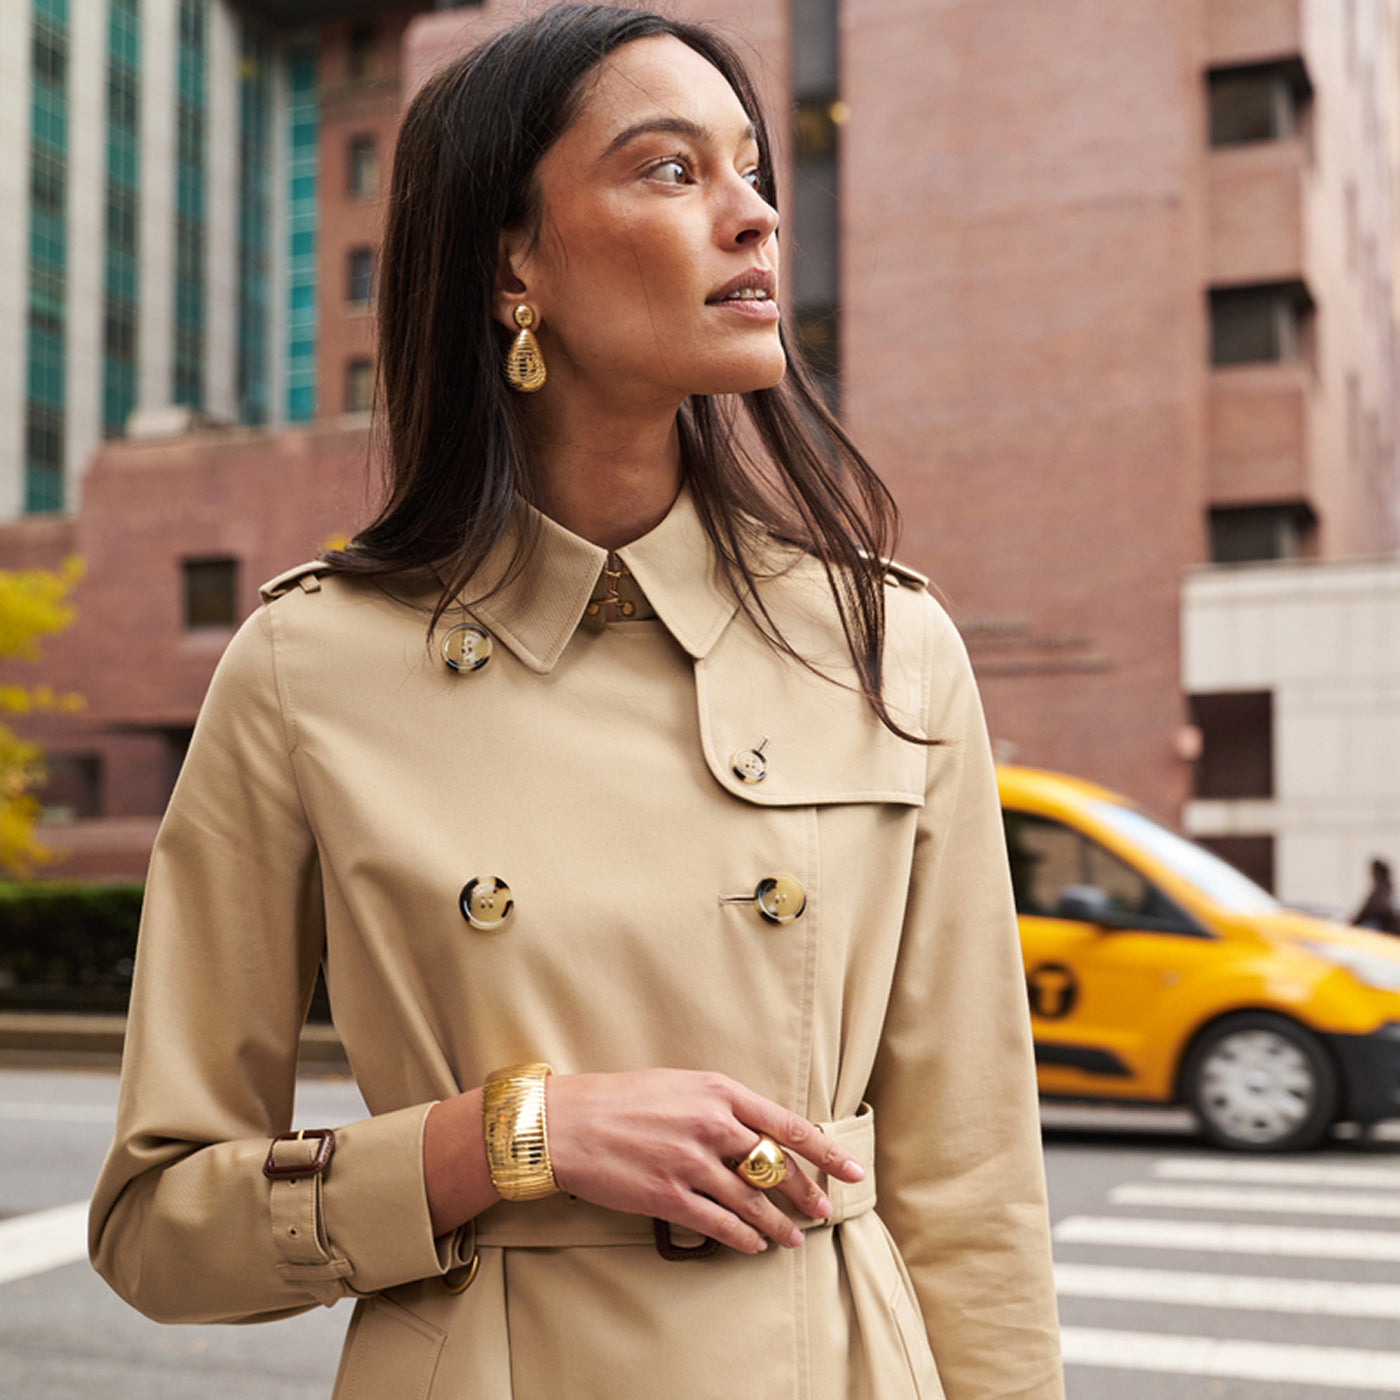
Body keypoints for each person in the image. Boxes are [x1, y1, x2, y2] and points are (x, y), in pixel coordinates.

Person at [90, 6, 1064, 1397]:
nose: (753, 221)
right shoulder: (311, 668)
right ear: (510, 268)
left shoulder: (886, 644)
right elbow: (157, 1227)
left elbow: (972, 1198)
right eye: (671, 170)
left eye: (753, 172)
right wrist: (504, 1139)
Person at [1353, 858, 1400, 935]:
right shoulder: (1390, 890)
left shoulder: (1380, 892)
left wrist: (1350, 926)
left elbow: (1367, 911)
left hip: (1393, 935)